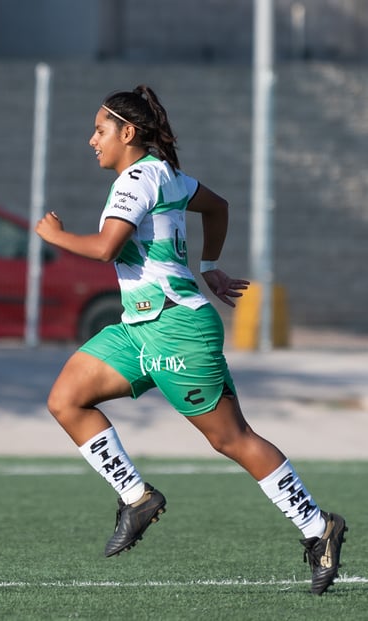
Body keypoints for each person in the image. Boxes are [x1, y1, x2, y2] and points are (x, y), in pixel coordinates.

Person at [35, 84, 347, 595]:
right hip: (140, 327)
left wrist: (55, 236)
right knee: (66, 398)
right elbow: (218, 206)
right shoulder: (165, 173)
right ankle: (137, 498)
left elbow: (107, 247)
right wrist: (210, 268)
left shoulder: (137, 177)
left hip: (176, 329)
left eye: (100, 130)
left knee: (232, 439)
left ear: (127, 133)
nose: (92, 140)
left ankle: (320, 529)